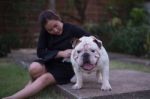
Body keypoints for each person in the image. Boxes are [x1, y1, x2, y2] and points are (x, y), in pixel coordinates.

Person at [3, 10, 90, 99]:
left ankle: (13, 97)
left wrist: (76, 50)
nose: (55, 30)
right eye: (50, 30)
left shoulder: (71, 29)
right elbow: (40, 52)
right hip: (50, 60)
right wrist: (60, 53)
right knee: (34, 68)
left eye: (55, 26)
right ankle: (28, 88)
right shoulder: (45, 32)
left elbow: (91, 39)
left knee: (44, 78)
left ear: (58, 18)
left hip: (66, 66)